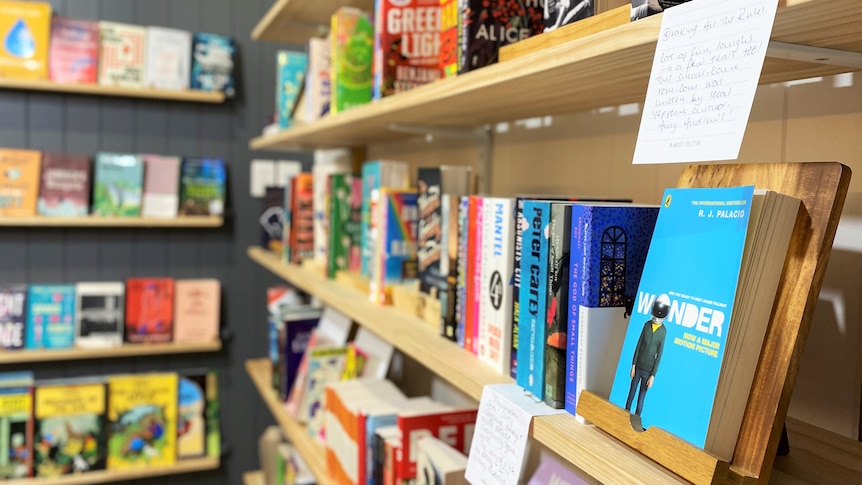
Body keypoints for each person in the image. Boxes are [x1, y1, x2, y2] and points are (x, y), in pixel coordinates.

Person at [625, 293, 669, 416]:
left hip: (648, 371)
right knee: (631, 395)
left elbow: (659, 356)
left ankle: (636, 420)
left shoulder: (663, 332)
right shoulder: (646, 325)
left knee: (641, 401)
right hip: (638, 366)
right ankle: (624, 415)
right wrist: (633, 365)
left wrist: (653, 376)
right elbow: (638, 345)